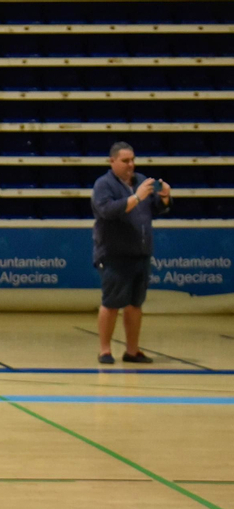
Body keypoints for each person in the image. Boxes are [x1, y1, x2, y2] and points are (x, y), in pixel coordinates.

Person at [91, 141, 171, 365]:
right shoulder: (103, 185)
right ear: (112, 161)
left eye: (132, 160)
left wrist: (164, 197)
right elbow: (108, 210)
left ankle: (132, 351)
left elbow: (155, 208)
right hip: (115, 254)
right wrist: (136, 197)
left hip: (140, 253)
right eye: (125, 161)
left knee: (135, 304)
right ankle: (105, 350)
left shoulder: (140, 181)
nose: (130, 165)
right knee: (111, 303)